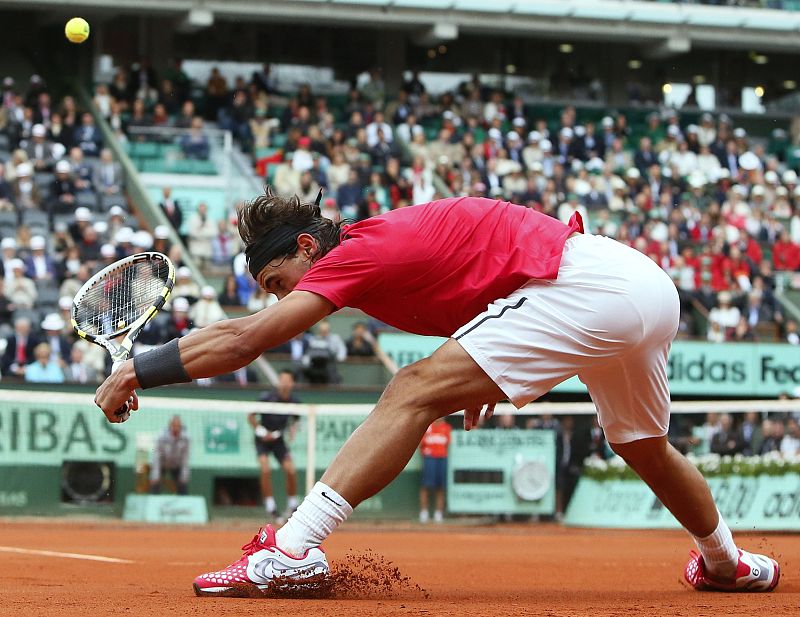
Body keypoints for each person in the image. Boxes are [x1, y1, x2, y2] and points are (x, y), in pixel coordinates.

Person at [95, 190, 780, 595]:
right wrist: (478, 374)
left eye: (279, 283)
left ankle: (293, 548)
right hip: (644, 287)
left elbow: (246, 339)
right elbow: (477, 274)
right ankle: (728, 562)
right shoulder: (381, 244)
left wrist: (137, 369)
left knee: (410, 387)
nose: (283, 298)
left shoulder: (355, 254)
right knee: (642, 445)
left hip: (584, 287)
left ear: (307, 246)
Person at [247, 370, 301, 521]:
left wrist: (293, 428)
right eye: (282, 380)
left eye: (287, 380)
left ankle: (292, 506)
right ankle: (270, 507)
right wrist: (262, 431)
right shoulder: (266, 398)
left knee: (291, 470)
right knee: (265, 468)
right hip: (262, 440)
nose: (284, 383)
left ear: (292, 383)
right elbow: (250, 416)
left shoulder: (295, 402)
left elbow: (296, 419)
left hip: (279, 441)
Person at [418, 417, 451, 524]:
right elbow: (420, 445)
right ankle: (424, 512)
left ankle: (439, 513)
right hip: (429, 459)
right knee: (426, 486)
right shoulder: (427, 427)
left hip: (441, 458)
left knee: (440, 487)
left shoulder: (446, 428)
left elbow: (447, 443)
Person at [150, 415, 190, 495]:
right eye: (174, 425)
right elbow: (156, 456)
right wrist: (155, 475)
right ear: (170, 426)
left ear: (181, 427)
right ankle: (154, 498)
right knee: (155, 483)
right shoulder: (161, 436)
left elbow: (185, 458)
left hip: (177, 465)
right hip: (162, 463)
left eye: (178, 426)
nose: (176, 428)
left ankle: (183, 501)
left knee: (182, 484)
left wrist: (184, 476)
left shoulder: (186, 438)